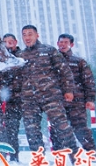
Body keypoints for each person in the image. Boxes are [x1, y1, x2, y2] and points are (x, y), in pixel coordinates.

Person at [17, 25, 78, 155]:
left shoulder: (49, 50)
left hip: (51, 96)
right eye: (24, 34)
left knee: (62, 127)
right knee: (31, 130)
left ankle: (76, 157)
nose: (27, 37)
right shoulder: (20, 56)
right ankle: (38, 160)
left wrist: (68, 90)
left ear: (37, 35)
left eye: (30, 34)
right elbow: (16, 79)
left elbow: (64, 71)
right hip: (29, 100)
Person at [50, 33, 96, 151]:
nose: (63, 45)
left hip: (77, 101)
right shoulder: (52, 62)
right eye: (61, 42)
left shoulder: (79, 62)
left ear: (71, 45)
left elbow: (89, 81)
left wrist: (90, 99)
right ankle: (59, 156)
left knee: (80, 128)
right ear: (57, 44)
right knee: (57, 128)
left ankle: (91, 152)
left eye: (66, 42)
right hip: (58, 101)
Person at [0, 33, 24, 162]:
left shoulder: (23, 56)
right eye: (5, 42)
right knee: (5, 130)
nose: (7, 44)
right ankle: (6, 156)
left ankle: (16, 156)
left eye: (10, 42)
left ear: (16, 42)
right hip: (5, 100)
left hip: (22, 99)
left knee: (21, 129)